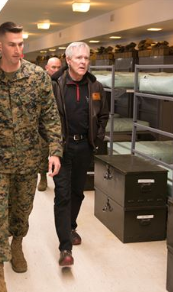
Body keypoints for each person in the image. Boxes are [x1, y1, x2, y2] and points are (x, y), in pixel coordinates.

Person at [0, 21, 62, 292]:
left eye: (21, 44)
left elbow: (50, 116)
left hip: (29, 159)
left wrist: (54, 150)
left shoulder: (38, 76)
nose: (18, 49)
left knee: (21, 210)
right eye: (12, 44)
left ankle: (16, 242)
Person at [50, 42, 109, 267]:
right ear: (68, 61)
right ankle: (65, 247)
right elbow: (47, 119)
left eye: (86, 57)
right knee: (62, 194)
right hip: (61, 148)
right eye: (79, 58)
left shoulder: (95, 87)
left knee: (77, 193)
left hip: (84, 147)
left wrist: (97, 139)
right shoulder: (55, 85)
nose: (84, 61)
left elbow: (103, 115)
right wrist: (51, 149)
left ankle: (71, 226)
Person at [37, 57, 62, 192]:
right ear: (47, 67)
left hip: (58, 125)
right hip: (42, 126)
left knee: (58, 152)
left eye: (59, 67)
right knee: (42, 152)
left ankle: (57, 176)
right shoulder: (41, 82)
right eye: (53, 67)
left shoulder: (62, 82)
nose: (56, 70)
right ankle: (43, 177)